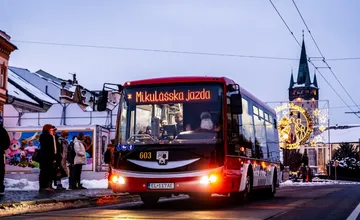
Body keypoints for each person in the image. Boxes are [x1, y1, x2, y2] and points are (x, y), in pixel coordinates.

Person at [39, 124, 56, 193]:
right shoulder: (49, 137)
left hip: (42, 157)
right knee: (48, 172)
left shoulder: (42, 136)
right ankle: (46, 186)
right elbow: (51, 148)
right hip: (48, 157)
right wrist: (53, 157)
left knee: (43, 172)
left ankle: (42, 187)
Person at [0, 116, 10, 196]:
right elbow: (7, 143)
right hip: (0, 153)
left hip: (0, 154)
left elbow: (7, 143)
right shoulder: (2, 130)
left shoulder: (2, 130)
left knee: (0, 171)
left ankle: (0, 188)